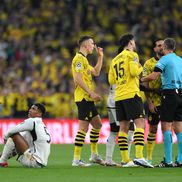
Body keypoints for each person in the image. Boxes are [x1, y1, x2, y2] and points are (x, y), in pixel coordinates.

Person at [108, 33, 153, 168]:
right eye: (133, 42)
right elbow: (134, 72)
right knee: (140, 124)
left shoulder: (115, 59)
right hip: (131, 93)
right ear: (130, 43)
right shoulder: (132, 55)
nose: (135, 44)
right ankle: (139, 156)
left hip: (119, 96)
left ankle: (126, 160)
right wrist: (140, 67)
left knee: (123, 127)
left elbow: (111, 80)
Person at [141, 38, 182, 167]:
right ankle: (180, 160)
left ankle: (168, 160)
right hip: (180, 93)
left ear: (164, 47)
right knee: (179, 128)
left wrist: (140, 79)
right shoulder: (180, 60)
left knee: (166, 126)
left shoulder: (164, 59)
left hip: (169, 94)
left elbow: (154, 76)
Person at [71, 35, 105, 167]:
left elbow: (96, 72)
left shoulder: (84, 60)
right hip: (83, 98)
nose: (93, 45)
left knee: (97, 125)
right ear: (85, 45)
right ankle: (76, 159)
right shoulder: (78, 59)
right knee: (83, 128)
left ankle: (94, 155)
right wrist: (91, 92)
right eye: (92, 43)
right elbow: (77, 79)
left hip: (87, 98)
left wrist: (100, 56)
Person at [0, 103, 51, 168]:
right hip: (40, 163)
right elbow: (17, 145)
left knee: (14, 134)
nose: (30, 110)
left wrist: (5, 138)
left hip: (33, 161)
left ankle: (2, 161)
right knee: (16, 141)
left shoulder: (32, 121)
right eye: (30, 108)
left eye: (33, 109)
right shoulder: (41, 125)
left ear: (39, 114)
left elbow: (11, 130)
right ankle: (2, 158)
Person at [142, 39, 164, 164]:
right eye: (158, 46)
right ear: (155, 49)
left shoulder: (169, 61)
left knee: (168, 128)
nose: (161, 47)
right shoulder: (148, 64)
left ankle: (168, 157)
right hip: (155, 101)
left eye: (163, 45)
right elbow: (145, 83)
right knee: (153, 129)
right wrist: (149, 102)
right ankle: (149, 158)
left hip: (169, 100)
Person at [105, 84, 135, 166]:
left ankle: (108, 159)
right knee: (129, 128)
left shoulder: (112, 71)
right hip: (121, 97)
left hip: (111, 98)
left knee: (114, 131)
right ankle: (126, 159)